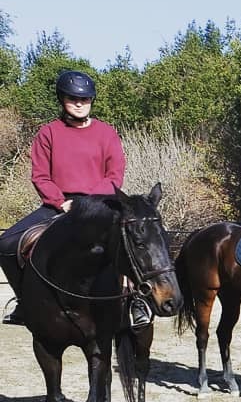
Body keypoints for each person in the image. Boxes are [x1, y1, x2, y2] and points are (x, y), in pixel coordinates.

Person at [0, 70, 150, 327]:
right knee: (6, 244)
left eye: (85, 99)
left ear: (91, 101)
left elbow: (114, 174)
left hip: (101, 203)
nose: (79, 103)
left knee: (136, 238)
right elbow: (40, 175)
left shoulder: (106, 133)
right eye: (72, 98)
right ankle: (26, 302)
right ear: (62, 99)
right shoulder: (48, 133)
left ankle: (137, 300)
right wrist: (61, 202)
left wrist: (88, 204)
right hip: (60, 204)